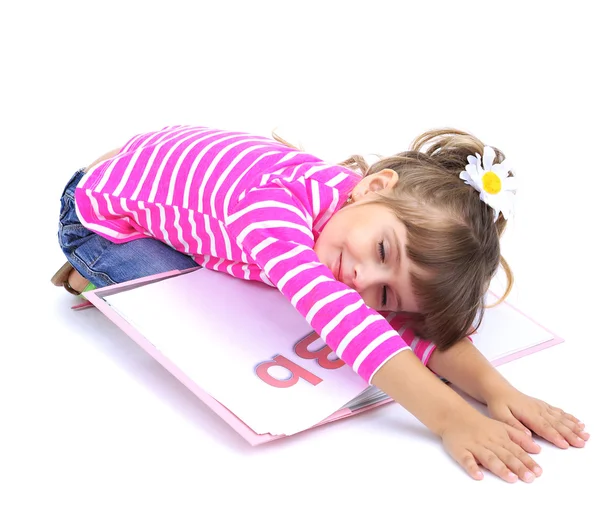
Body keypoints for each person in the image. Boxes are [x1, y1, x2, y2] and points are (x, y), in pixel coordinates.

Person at [52, 124, 589, 482]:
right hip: (100, 213)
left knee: (345, 300)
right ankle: (85, 274)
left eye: (384, 290)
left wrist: (497, 390)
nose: (361, 278)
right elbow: (341, 316)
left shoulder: (363, 207)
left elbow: (401, 323)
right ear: (373, 185)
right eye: (382, 251)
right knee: (180, 291)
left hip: (167, 164)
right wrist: (449, 418)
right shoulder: (270, 206)